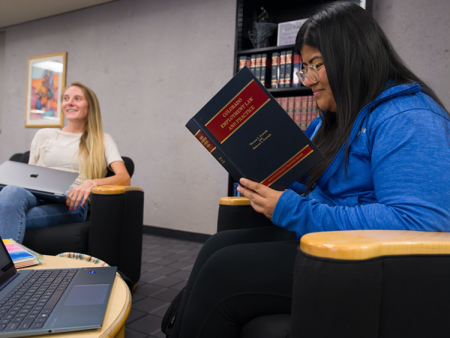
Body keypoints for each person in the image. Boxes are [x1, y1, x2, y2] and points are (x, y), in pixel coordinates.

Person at [166, 2, 450, 338]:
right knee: (216, 247)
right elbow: (319, 187)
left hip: (364, 262)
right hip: (326, 240)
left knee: (222, 270)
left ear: (354, 56)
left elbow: (419, 224)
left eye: (317, 65)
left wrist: (291, 208)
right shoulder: (332, 120)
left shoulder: (407, 118)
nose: (308, 79)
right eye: (304, 67)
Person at [0, 81, 130, 243]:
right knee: (11, 191)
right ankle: (7, 266)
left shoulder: (102, 140)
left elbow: (124, 177)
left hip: (71, 203)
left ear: (90, 105)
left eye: (77, 98)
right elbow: (29, 175)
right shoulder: (44, 134)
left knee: (6, 215)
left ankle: (5, 266)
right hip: (36, 195)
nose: (70, 102)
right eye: (66, 98)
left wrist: (92, 183)